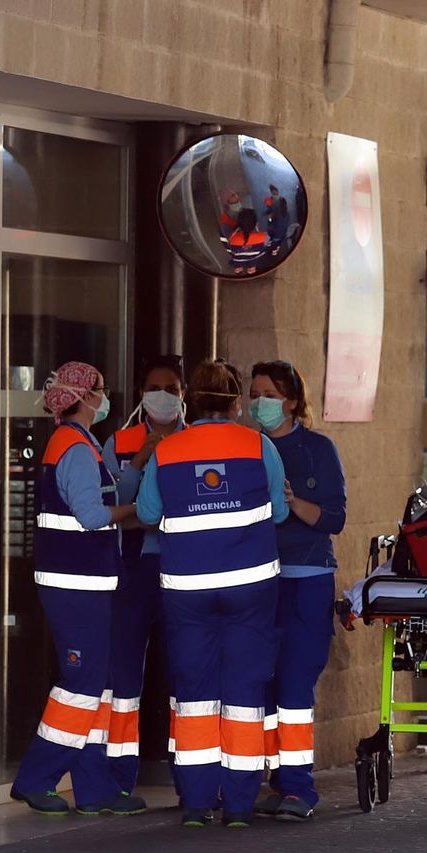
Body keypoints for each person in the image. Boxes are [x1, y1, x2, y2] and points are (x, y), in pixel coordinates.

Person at [135, 360, 288, 828]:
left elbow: (146, 512)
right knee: (244, 694)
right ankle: (239, 806)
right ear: (236, 402)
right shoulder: (258, 445)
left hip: (188, 593)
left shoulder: (168, 451)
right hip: (250, 590)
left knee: (196, 695)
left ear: (190, 403)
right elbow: (279, 512)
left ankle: (198, 803)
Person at [11, 361, 144, 816]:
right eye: (103, 390)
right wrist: (138, 512)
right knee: (82, 686)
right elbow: (91, 516)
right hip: (75, 585)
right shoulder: (73, 448)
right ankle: (36, 779)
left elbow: (100, 495)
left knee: (97, 686)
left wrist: (137, 466)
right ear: (85, 397)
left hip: (85, 583)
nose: (107, 398)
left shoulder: (80, 444)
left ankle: (94, 788)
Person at [248, 360, 346, 820]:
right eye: (253, 394)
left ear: (290, 401)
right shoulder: (247, 449)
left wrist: (291, 502)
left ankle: (298, 787)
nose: (258, 403)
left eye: (267, 394)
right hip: (260, 580)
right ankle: (275, 778)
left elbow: (335, 518)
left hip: (306, 579)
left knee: (294, 684)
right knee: (262, 683)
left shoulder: (317, 450)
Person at [100, 355, 186, 796]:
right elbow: (111, 503)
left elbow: (187, 507)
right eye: (155, 387)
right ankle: (117, 779)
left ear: (184, 394)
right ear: (139, 393)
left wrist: (140, 516)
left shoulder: (196, 442)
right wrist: (139, 459)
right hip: (132, 568)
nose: (163, 396)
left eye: (172, 388)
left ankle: (189, 775)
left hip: (181, 568)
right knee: (123, 678)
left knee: (184, 675)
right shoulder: (121, 440)